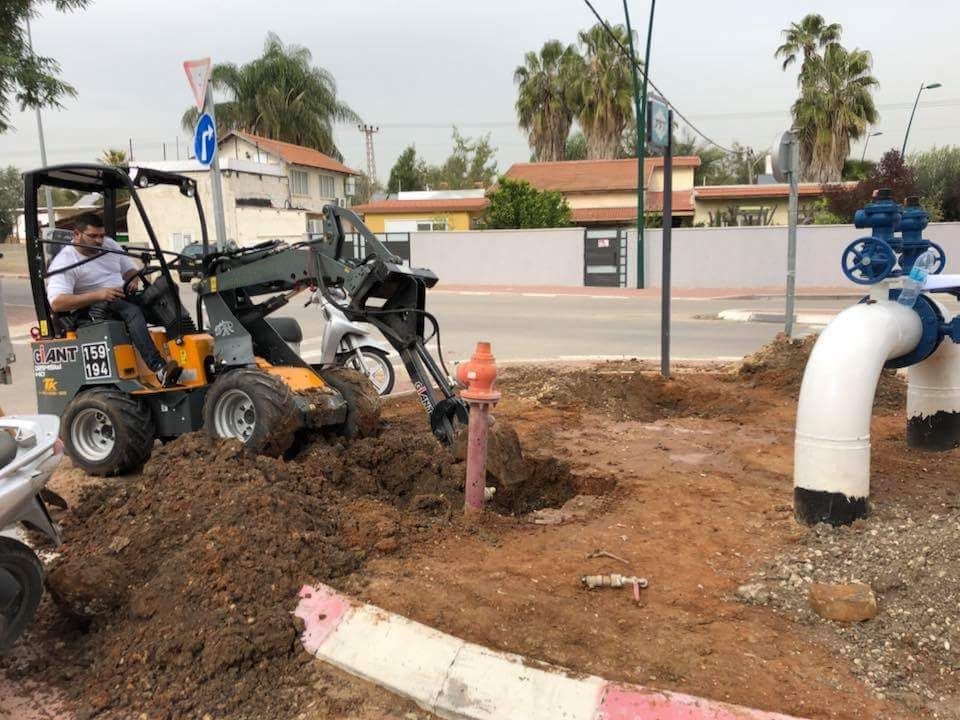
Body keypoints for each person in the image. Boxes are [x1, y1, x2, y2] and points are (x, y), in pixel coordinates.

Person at [45, 213, 182, 387]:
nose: (99, 241)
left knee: (165, 295)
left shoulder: (109, 245)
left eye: (101, 235)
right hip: (93, 308)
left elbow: (130, 271)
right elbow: (57, 303)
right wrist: (99, 295)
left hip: (121, 296)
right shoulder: (65, 261)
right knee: (132, 312)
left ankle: (184, 354)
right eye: (93, 236)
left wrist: (133, 278)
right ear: (76, 235)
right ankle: (159, 368)